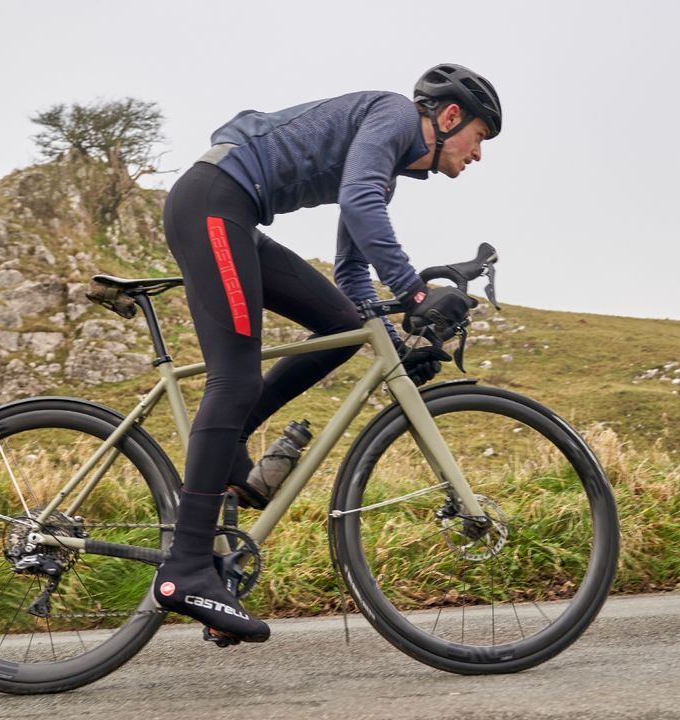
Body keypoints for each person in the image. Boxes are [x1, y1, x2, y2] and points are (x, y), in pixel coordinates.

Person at [153, 63, 502, 644]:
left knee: (338, 322)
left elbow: (352, 277)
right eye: (479, 138)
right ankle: (186, 567)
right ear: (448, 117)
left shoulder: (385, 163)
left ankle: (230, 461)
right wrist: (416, 294)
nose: (478, 154)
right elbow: (363, 209)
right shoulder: (392, 116)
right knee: (234, 380)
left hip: (232, 209)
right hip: (214, 202)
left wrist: (395, 341)